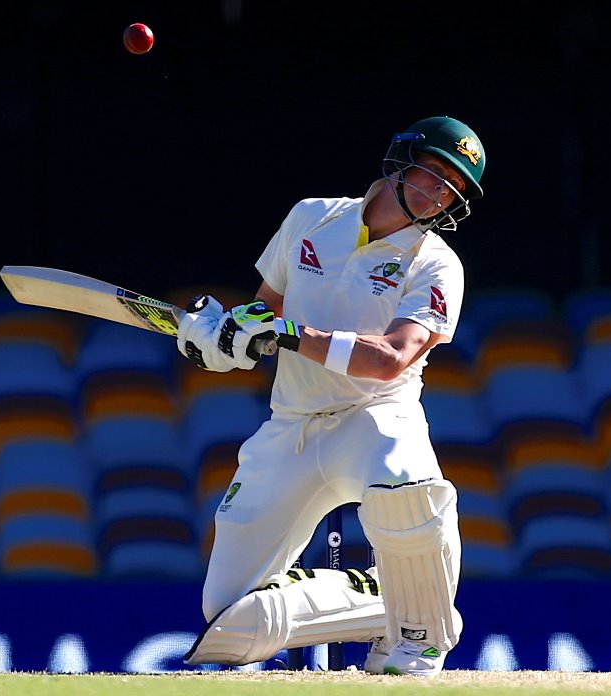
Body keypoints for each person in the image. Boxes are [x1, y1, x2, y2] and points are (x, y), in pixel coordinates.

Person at [177, 116, 485, 678]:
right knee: (228, 618)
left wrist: (286, 334)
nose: (441, 192)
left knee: (407, 486)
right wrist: (223, 339)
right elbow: (265, 308)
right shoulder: (311, 217)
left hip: (376, 415)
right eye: (435, 173)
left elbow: (391, 357)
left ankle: (421, 632)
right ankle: (387, 598)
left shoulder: (437, 263)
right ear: (401, 160)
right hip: (291, 425)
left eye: (455, 188)